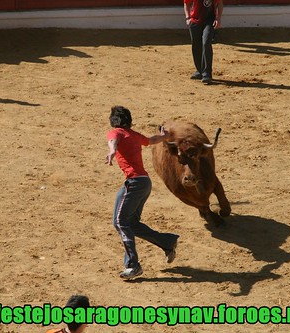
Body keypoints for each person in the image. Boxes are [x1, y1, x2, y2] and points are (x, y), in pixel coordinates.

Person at [105, 106, 179, 280]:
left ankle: (133, 265)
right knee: (130, 223)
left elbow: (113, 141)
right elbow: (152, 140)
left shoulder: (116, 132)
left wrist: (112, 151)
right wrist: (165, 136)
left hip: (134, 183)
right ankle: (167, 242)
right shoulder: (134, 135)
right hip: (144, 183)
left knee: (120, 222)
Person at [184, 0, 223, 84]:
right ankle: (199, 70)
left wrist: (218, 18)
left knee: (206, 43)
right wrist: (188, 17)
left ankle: (207, 74)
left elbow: (220, 3)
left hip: (210, 21)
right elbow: (186, 3)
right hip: (194, 20)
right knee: (196, 45)